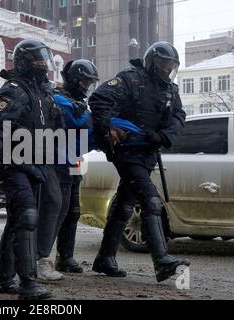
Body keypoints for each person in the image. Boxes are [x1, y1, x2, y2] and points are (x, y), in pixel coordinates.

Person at [89, 42, 190, 282]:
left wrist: (163, 136)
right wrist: (110, 126)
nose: (167, 69)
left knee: (124, 204)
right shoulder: (131, 79)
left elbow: (179, 116)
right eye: (163, 63)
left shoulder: (170, 90)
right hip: (127, 151)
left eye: (171, 65)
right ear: (152, 62)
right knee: (151, 200)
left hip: (147, 152)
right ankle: (162, 261)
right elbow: (99, 100)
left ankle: (105, 258)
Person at [0, 39, 61, 300]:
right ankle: (28, 282)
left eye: (44, 59)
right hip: (14, 164)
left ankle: (3, 280)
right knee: (26, 216)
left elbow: (51, 130)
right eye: (38, 60)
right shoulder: (14, 91)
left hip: (36, 165)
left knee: (16, 222)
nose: (43, 64)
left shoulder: (42, 92)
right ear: (25, 62)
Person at [52, 59, 99, 274]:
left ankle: (65, 257)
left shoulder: (79, 102)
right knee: (57, 212)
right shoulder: (58, 98)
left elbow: (87, 130)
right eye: (84, 81)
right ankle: (39, 257)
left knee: (73, 211)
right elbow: (78, 122)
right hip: (58, 161)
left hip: (76, 159)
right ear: (73, 79)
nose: (87, 86)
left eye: (90, 82)